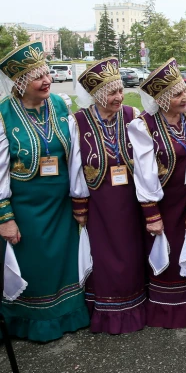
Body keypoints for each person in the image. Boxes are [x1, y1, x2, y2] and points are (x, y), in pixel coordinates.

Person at [0, 41, 90, 342]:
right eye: (37, 76)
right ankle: (32, 322)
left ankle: (66, 316)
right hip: (27, 209)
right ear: (21, 82)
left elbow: (75, 156)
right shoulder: (4, 116)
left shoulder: (61, 105)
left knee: (62, 264)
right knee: (34, 266)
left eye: (47, 73)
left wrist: (79, 199)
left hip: (60, 205)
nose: (47, 80)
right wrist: (5, 217)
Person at [128, 58, 186, 329]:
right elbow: (144, 173)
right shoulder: (144, 126)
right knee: (170, 251)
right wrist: (152, 214)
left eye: (184, 89)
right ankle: (169, 311)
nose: (185, 95)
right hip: (165, 202)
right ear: (162, 99)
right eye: (177, 93)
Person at [69, 57, 147, 334]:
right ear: (97, 95)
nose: (118, 97)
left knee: (131, 253)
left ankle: (134, 308)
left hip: (129, 201)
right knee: (103, 257)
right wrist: (80, 204)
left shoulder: (131, 116)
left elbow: (144, 159)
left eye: (120, 90)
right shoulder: (78, 122)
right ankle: (106, 312)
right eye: (111, 92)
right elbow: (76, 167)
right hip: (100, 204)